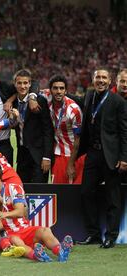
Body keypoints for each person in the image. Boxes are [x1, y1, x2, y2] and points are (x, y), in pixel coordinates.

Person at [74, 68, 127, 248]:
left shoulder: (118, 102)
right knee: (86, 192)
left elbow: (124, 133)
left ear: (110, 80)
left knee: (113, 197)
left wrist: (124, 158)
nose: (101, 80)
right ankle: (93, 234)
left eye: (104, 78)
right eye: (98, 77)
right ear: (93, 79)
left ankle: (111, 236)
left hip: (111, 155)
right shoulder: (89, 96)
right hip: (93, 153)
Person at [0, 160, 73, 262]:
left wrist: (2, 204)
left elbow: (20, 212)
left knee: (45, 230)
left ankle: (60, 251)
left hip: (24, 229)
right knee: (15, 240)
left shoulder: (13, 188)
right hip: (7, 235)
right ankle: (37, 255)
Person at [41, 75, 85, 184]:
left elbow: (77, 140)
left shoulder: (73, 110)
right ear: (50, 90)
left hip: (71, 154)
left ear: (66, 91)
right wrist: (32, 97)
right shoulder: (47, 96)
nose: (58, 91)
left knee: (70, 191)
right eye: (55, 88)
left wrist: (71, 164)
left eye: (61, 88)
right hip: (57, 152)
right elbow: (35, 90)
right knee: (58, 190)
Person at [12, 69, 54, 183]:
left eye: (25, 83)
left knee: (39, 192)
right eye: (19, 83)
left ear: (30, 84)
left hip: (39, 156)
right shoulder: (13, 102)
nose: (22, 86)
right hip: (22, 155)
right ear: (15, 84)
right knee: (23, 189)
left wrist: (47, 156)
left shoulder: (40, 101)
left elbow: (48, 130)